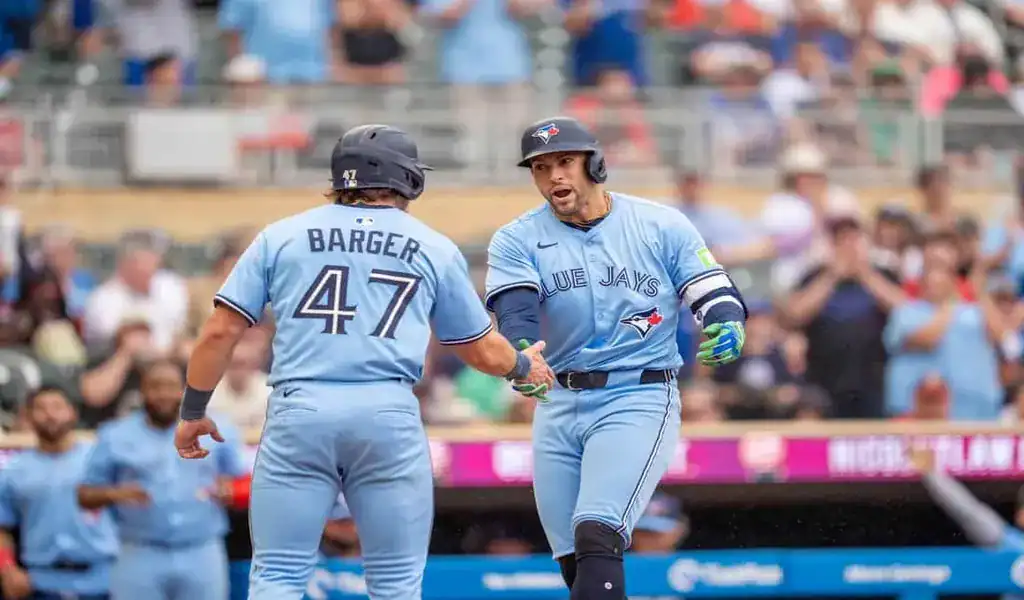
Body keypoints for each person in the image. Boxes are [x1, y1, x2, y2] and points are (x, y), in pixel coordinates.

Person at [172, 124, 553, 600]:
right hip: (386, 410)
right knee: (394, 585)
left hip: (300, 407)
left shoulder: (282, 235)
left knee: (279, 576)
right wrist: (522, 367)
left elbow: (220, 331)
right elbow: (478, 348)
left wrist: (192, 411)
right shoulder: (432, 245)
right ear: (407, 179)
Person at [486, 116, 746, 600]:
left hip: (637, 392)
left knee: (597, 532)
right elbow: (515, 308)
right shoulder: (516, 237)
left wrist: (725, 318)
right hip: (558, 398)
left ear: (595, 164)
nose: (555, 177)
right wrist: (521, 352)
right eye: (541, 168)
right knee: (571, 558)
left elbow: (708, 284)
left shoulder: (659, 223)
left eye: (565, 162)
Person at [77, 359, 250, 600]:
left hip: (202, 550)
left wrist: (230, 491)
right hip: (138, 552)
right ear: (142, 391)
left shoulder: (218, 429)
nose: (163, 394)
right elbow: (84, 495)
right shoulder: (114, 434)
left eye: (171, 385)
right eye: (155, 386)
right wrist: (116, 494)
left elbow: (245, 483)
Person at [0, 387, 118, 600]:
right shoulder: (12, 470)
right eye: (41, 408)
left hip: (103, 581)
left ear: (73, 412)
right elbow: (2, 528)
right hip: (39, 583)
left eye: (57, 407)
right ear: (27, 416)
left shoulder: (100, 461)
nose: (50, 414)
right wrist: (7, 569)